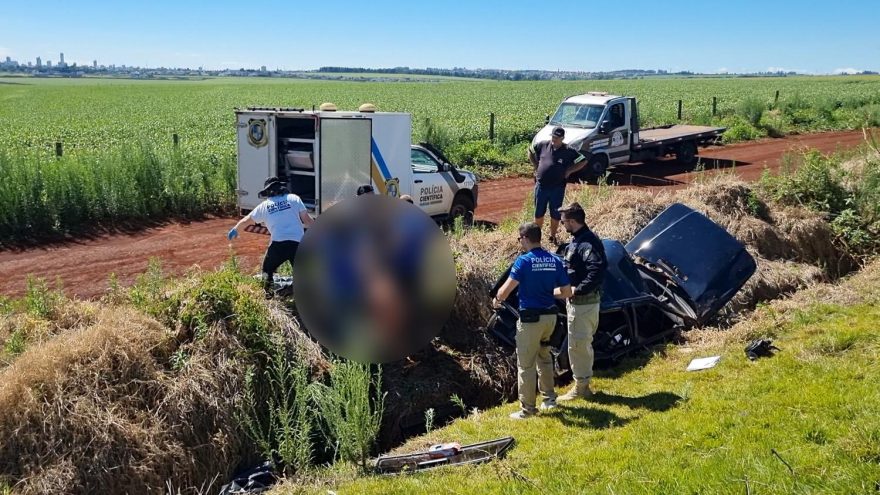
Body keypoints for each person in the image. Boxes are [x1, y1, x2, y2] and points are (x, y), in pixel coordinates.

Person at [493, 223, 572, 419]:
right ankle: (549, 400)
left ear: (526, 238)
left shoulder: (523, 262)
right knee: (545, 358)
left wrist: (497, 300)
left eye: (519, 239)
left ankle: (527, 409)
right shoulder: (554, 260)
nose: (520, 243)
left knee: (526, 365)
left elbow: (505, 291)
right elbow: (567, 292)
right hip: (550, 318)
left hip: (530, 321)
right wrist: (547, 292)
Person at [556, 202, 608, 401]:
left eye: (563, 222)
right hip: (580, 303)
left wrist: (577, 290)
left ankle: (582, 387)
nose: (562, 226)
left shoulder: (587, 243)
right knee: (579, 344)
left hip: (583, 304)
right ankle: (582, 383)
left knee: (579, 345)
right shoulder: (579, 240)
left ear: (572, 221)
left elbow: (597, 269)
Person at [228, 176, 314, 294]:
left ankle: (268, 296)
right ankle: (296, 290)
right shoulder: (294, 198)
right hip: (297, 244)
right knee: (303, 274)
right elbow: (307, 221)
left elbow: (247, 220)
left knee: (266, 272)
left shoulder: (264, 206)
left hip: (278, 244)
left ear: (267, 191)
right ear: (282, 187)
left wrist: (235, 229)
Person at [528, 126, 588, 244]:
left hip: (557, 188)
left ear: (562, 138)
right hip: (542, 186)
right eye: (553, 137)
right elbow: (530, 150)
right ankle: (537, 238)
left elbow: (583, 160)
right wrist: (536, 166)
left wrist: (569, 171)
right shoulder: (543, 145)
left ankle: (552, 236)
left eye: (556, 138)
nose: (554, 140)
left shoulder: (568, 151)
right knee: (539, 212)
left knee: (555, 214)